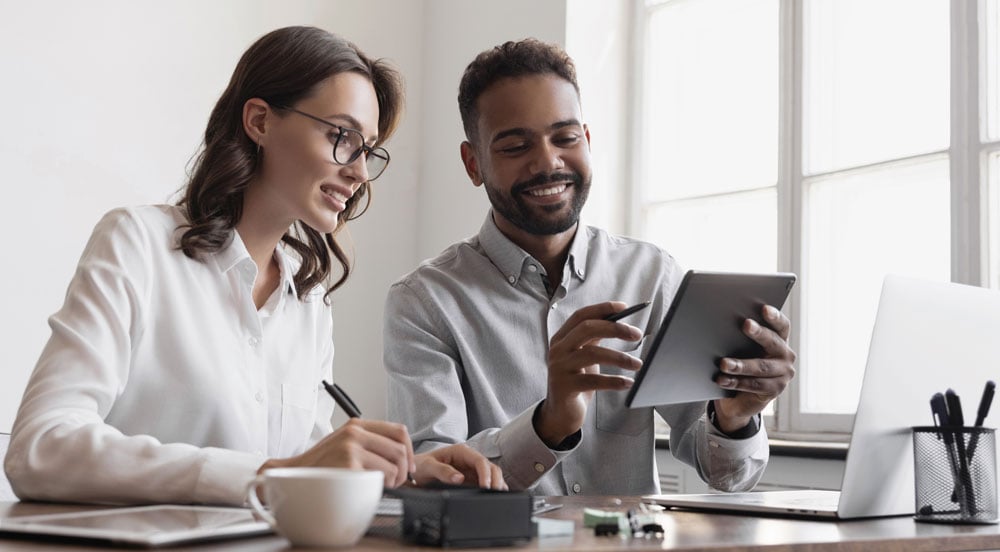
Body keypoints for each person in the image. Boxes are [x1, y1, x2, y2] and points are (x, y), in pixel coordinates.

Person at [4, 26, 504, 506]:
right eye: (342, 137)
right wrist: (269, 476)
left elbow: (305, 476)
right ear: (260, 121)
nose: (358, 172)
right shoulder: (137, 244)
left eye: (367, 150)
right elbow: (39, 447)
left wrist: (404, 478)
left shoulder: (307, 299)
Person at [383, 38, 796, 496]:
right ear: (473, 162)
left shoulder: (652, 275)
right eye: (516, 145)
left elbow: (727, 474)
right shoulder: (424, 301)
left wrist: (736, 417)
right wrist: (550, 422)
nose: (549, 162)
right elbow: (433, 477)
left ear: (588, 140)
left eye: (566, 137)